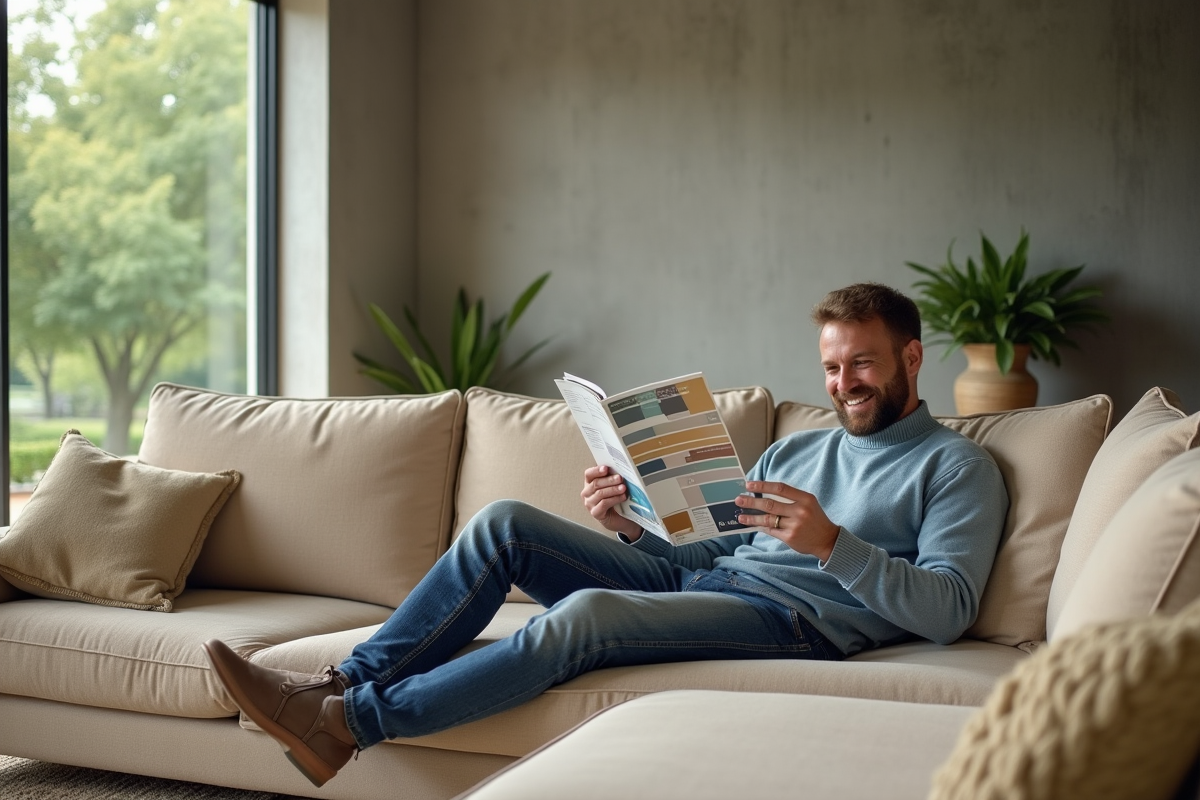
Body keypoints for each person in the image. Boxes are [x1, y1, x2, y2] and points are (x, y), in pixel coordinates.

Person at [203, 282, 1008, 788]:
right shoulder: (798, 445)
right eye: (833, 369)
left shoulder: (955, 467)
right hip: (706, 587)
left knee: (586, 614)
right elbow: (711, 553)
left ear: (911, 357)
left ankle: (352, 725)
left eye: (862, 366)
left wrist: (832, 544)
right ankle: (336, 685)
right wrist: (630, 526)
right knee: (503, 524)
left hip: (794, 623)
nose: (843, 386)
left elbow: (948, 608)